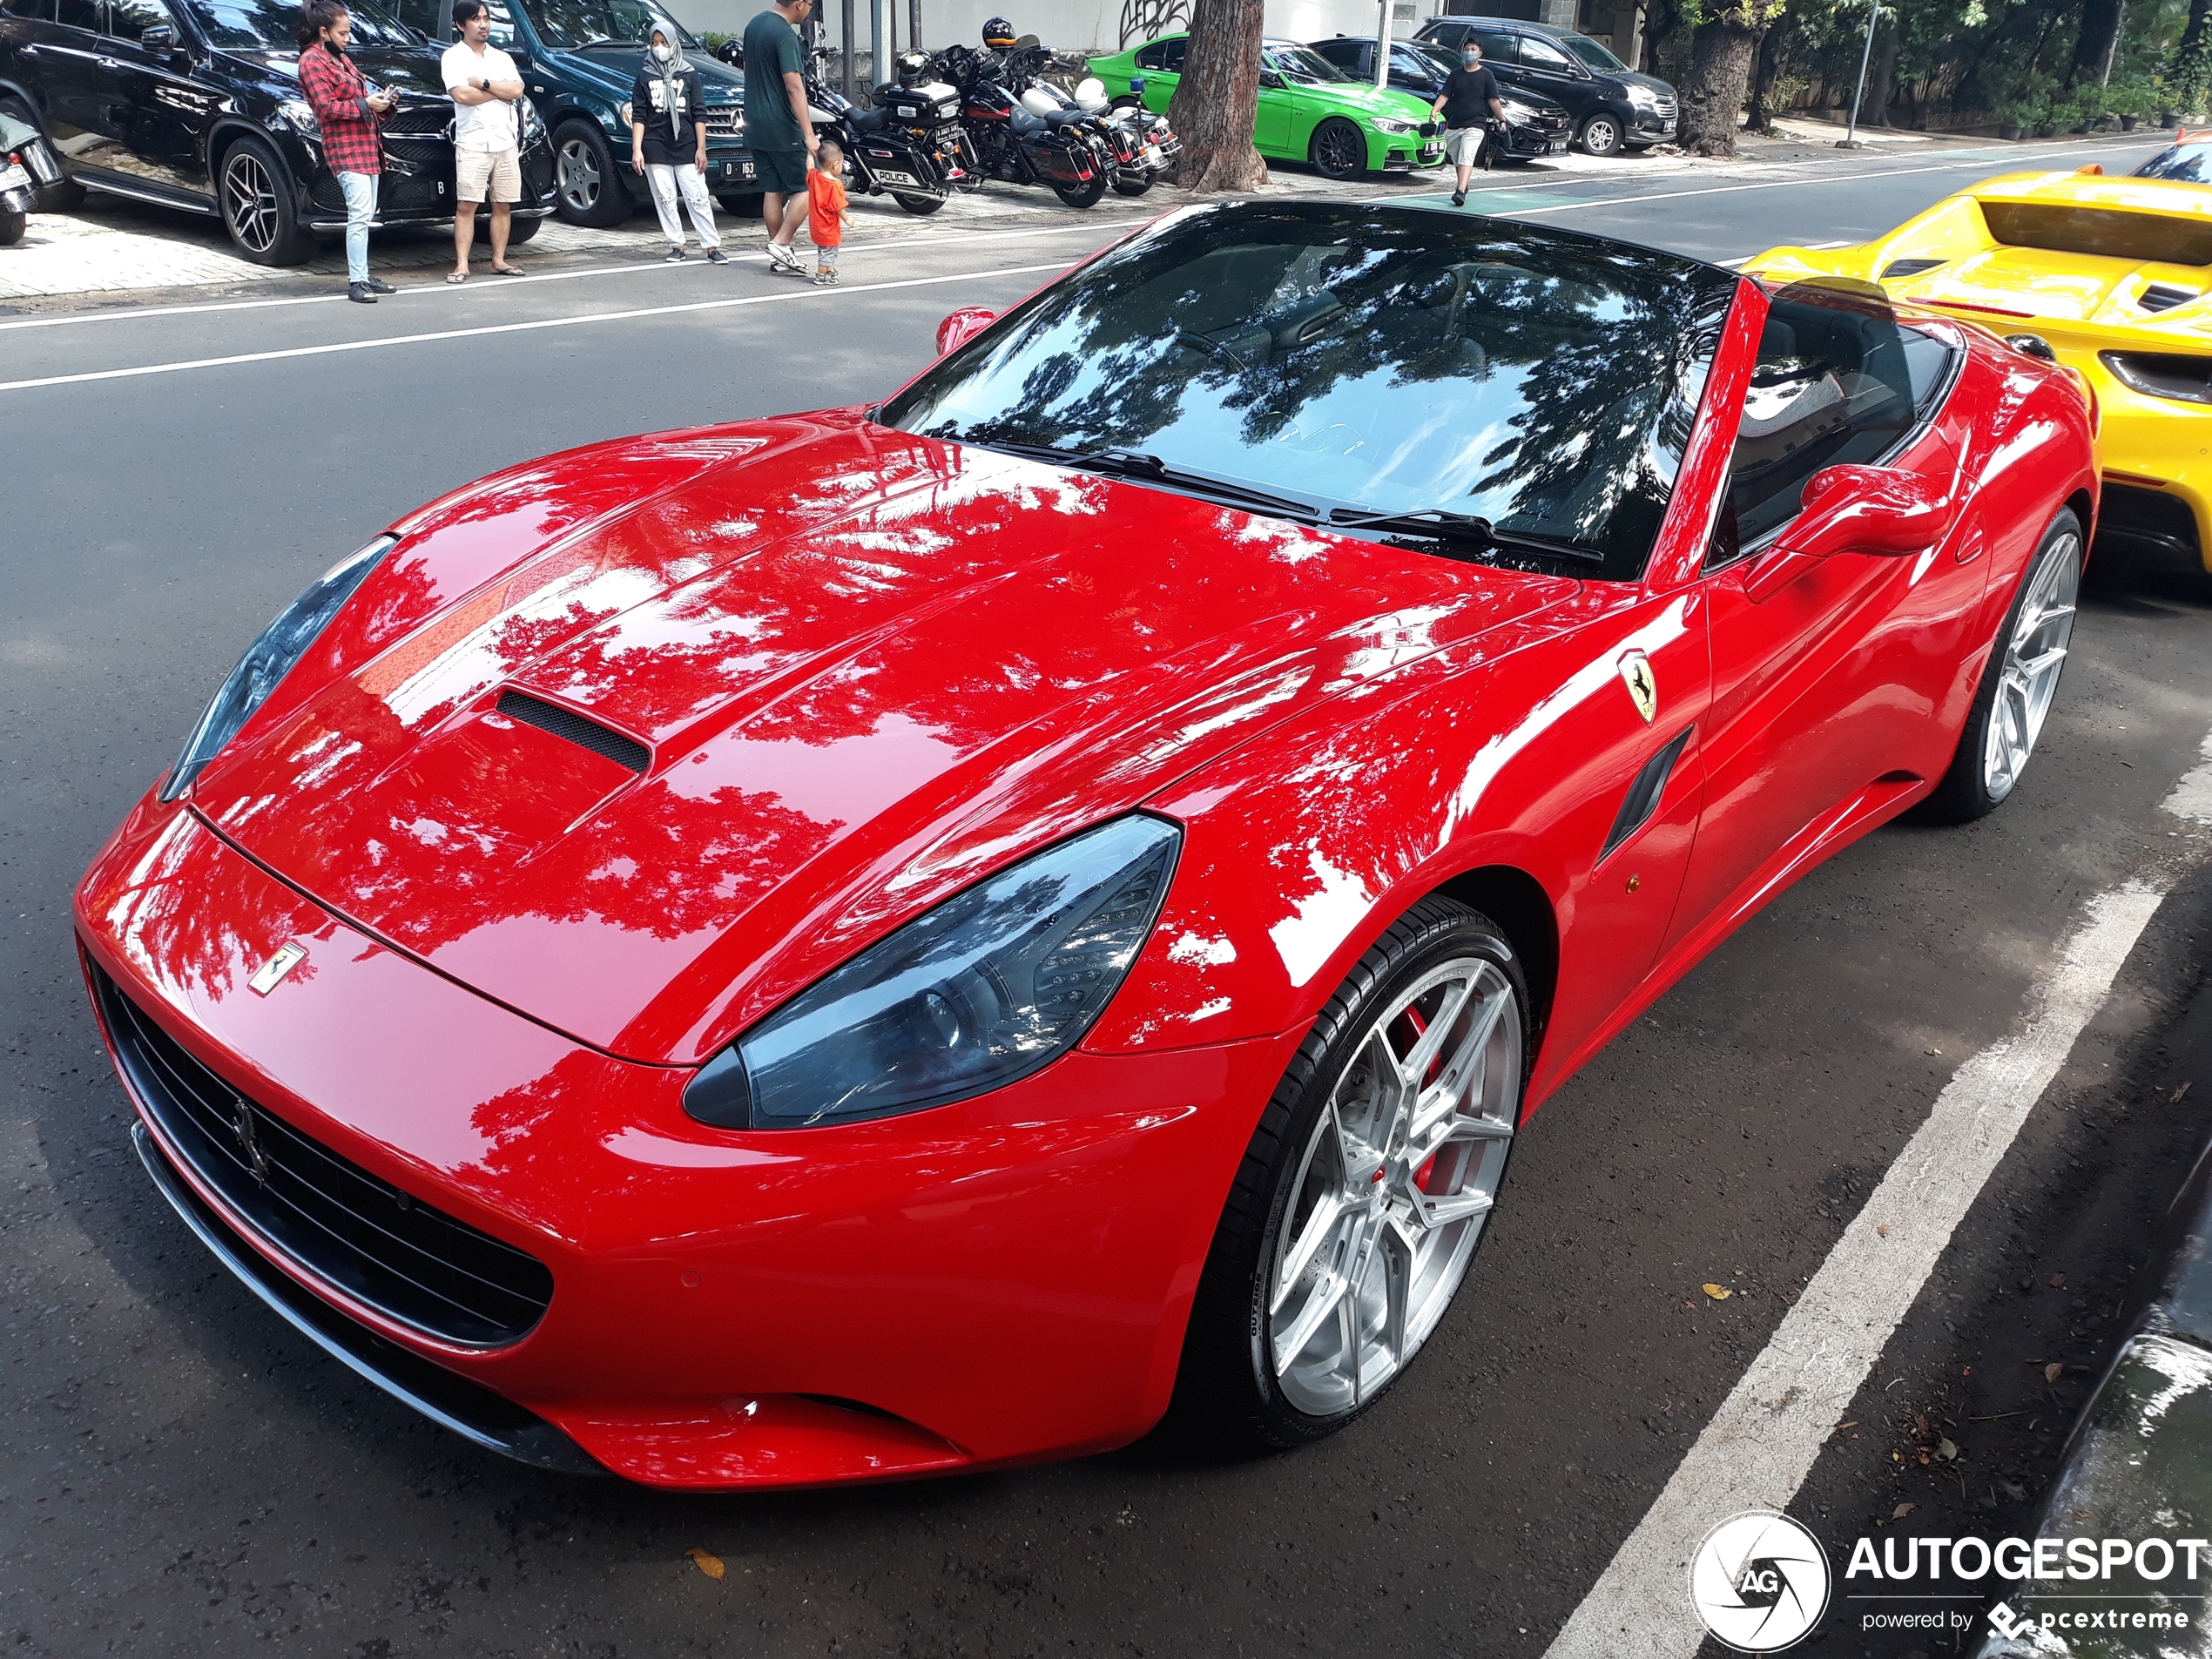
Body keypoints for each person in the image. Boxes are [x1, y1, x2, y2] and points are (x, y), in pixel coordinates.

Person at [295, 0, 396, 302]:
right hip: (344, 147)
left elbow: (360, 98)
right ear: (323, 32)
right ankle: (357, 281)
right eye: (343, 32)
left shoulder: (342, 59)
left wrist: (381, 102)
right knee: (359, 213)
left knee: (366, 214)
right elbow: (325, 107)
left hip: (366, 144)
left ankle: (363, 274)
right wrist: (367, 104)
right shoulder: (311, 62)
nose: (347, 37)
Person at [442, 0, 527, 281]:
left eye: (486, 18)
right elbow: (462, 96)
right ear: (460, 25)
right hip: (473, 142)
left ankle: (499, 260)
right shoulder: (453, 57)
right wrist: (499, 92)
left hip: (504, 140)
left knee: (503, 204)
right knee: (467, 205)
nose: (484, 24)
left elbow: (517, 89)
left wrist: (486, 84)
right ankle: (462, 264)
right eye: (476, 19)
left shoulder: (501, 57)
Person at [631, 24, 725, 262]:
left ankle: (712, 246)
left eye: (664, 42)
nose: (659, 48)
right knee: (665, 197)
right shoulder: (644, 75)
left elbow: (699, 113)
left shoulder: (689, 73)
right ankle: (677, 245)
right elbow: (639, 115)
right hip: (655, 144)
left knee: (698, 196)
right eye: (654, 43)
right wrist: (637, 149)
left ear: (674, 43)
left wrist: (701, 148)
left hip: (686, 144)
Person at [741, 0, 819, 276]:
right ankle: (782, 243)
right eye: (810, 3)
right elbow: (794, 85)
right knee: (808, 187)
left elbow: (749, 69)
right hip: (782, 124)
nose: (811, 9)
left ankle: (778, 255)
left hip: (755, 122)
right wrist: (809, 134)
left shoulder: (755, 24)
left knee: (773, 189)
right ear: (799, 3)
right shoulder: (785, 34)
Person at [1431, 41, 1505, 208]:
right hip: (1455, 124)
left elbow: (1493, 100)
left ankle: (1460, 190)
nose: (1469, 52)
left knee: (1467, 155)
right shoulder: (1456, 75)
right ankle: (1463, 185)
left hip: (1476, 123)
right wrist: (1435, 110)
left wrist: (1502, 119)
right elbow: (1445, 95)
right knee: (1457, 157)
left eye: (1473, 50)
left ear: (1480, 54)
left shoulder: (1486, 75)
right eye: (1466, 50)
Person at [805, 138, 848, 284]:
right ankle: (821, 274)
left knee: (824, 249)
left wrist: (811, 154)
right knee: (828, 251)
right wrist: (847, 219)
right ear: (836, 164)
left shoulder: (814, 177)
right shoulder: (835, 184)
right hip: (829, 227)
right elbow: (838, 205)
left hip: (817, 226)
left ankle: (830, 270)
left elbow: (809, 166)